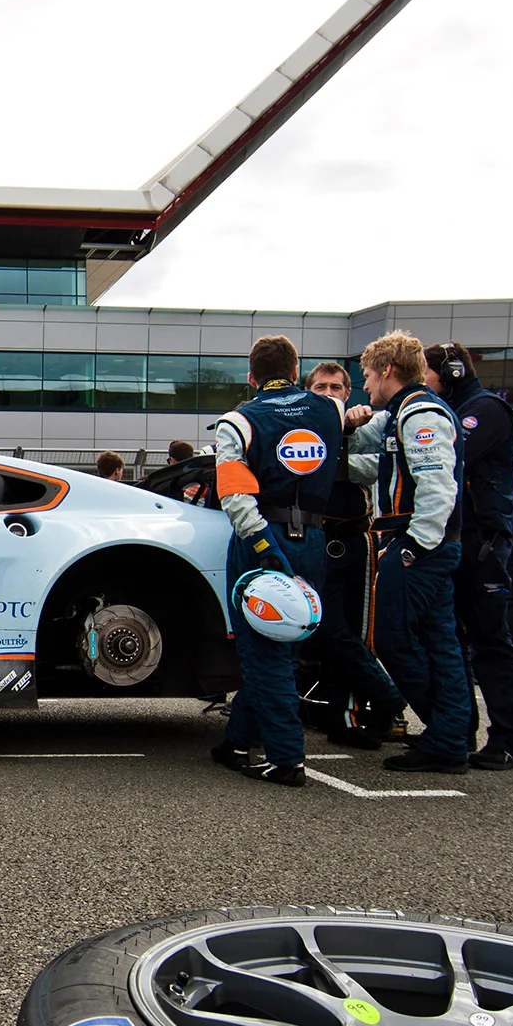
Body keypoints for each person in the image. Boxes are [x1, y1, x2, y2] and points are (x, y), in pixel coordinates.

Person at [206, 333, 342, 786]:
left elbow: (234, 493)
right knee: (282, 646)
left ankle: (288, 760)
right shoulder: (332, 410)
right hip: (316, 539)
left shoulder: (238, 421)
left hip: (262, 538)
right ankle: (235, 742)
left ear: (251, 376)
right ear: (297, 370)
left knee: (263, 653)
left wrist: (263, 544)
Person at [344, 331, 471, 774]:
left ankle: (447, 734)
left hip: (417, 544)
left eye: (367, 377)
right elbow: (361, 450)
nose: (365, 387)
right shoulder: (399, 411)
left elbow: (438, 488)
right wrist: (348, 423)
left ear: (386, 371)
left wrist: (414, 546)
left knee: (394, 639)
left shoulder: (421, 413)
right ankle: (450, 736)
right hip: (423, 543)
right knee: (439, 644)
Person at [424, 341, 513, 769]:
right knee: (453, 640)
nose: (423, 383)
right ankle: (457, 731)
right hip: (457, 538)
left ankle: (510, 738)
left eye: (426, 374)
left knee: (489, 641)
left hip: (482, 541)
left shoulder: (485, 410)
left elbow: (447, 458)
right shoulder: (449, 410)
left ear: (450, 372)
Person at [301, 363, 404, 747]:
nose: (328, 393)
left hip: (354, 539)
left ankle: (347, 717)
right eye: (321, 387)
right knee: (325, 628)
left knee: (350, 632)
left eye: (336, 387)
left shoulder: (370, 423)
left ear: (349, 392)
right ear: (309, 390)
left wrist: (338, 453)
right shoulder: (301, 423)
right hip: (313, 536)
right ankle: (382, 695)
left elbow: (380, 468)